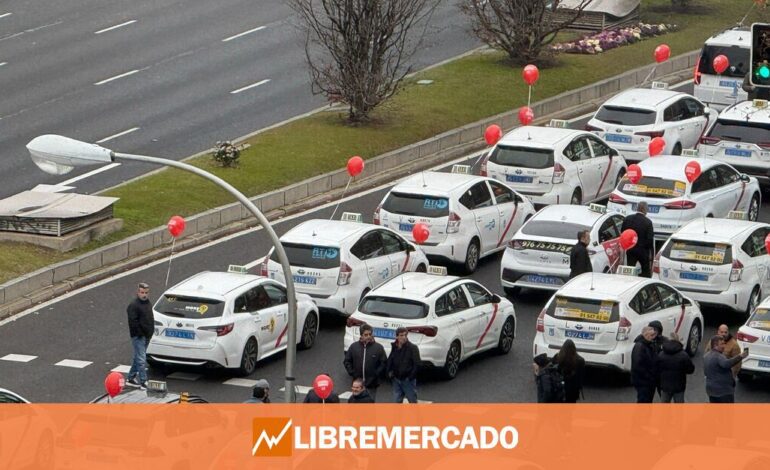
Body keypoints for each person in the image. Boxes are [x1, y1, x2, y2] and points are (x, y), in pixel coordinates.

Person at [343, 324, 387, 399]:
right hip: (357, 384)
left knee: (370, 405)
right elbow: (347, 361)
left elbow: (384, 363)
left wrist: (376, 374)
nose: (368, 336)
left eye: (370, 334)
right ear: (361, 335)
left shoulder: (378, 348)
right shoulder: (354, 347)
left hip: (372, 384)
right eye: (366, 335)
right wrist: (352, 372)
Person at [704, 335, 748, 403]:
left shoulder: (706, 356)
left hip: (711, 391)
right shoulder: (718, 356)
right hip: (723, 392)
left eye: (724, 343)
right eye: (722, 344)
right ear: (715, 345)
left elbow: (706, 372)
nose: (724, 346)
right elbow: (726, 364)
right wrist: (740, 356)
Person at [126, 282, 154, 388]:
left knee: (137, 358)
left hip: (147, 335)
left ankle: (131, 377)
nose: (144, 295)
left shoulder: (148, 303)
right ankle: (143, 381)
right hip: (139, 336)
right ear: (138, 292)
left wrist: (151, 331)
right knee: (141, 359)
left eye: (146, 292)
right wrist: (140, 333)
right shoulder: (133, 305)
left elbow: (150, 318)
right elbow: (133, 322)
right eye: (142, 292)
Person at [656, 333, 695, 403]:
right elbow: (690, 370)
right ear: (678, 341)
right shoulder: (683, 355)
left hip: (665, 386)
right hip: (679, 386)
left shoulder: (661, 354)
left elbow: (657, 369)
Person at [387, 327, 421, 403]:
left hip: (407, 380)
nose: (404, 337)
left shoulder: (412, 348)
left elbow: (417, 364)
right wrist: (389, 372)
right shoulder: (395, 347)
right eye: (401, 335)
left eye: (405, 335)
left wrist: (410, 377)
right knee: (396, 401)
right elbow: (391, 360)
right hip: (396, 379)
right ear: (396, 336)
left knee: (412, 400)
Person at [621, 201, 655, 277]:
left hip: (630, 249)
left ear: (638, 208)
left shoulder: (628, 219)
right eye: (647, 209)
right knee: (645, 271)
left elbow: (623, 233)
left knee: (630, 271)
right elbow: (649, 241)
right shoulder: (648, 222)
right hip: (642, 251)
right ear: (644, 209)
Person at [631, 326, 658, 403]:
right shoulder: (640, 347)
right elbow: (638, 366)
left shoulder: (648, 344)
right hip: (644, 381)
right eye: (651, 335)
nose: (653, 338)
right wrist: (649, 376)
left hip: (648, 381)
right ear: (646, 335)